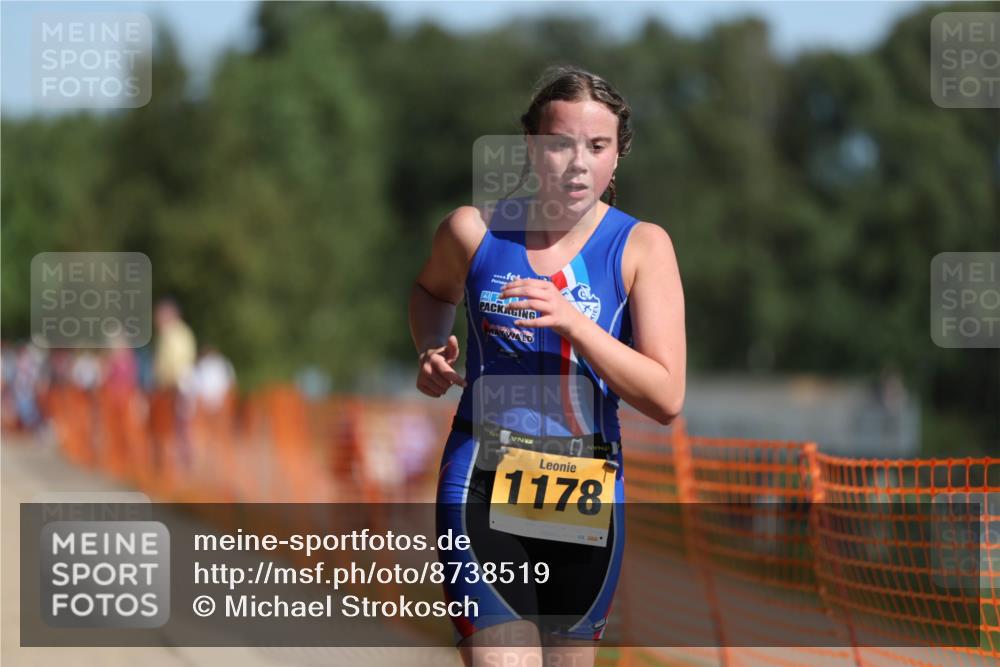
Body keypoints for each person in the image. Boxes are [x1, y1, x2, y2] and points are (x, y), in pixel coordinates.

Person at [408, 65, 686, 667]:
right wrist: (430, 348)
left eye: (597, 146)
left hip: (586, 491)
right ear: (532, 147)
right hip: (481, 477)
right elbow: (431, 292)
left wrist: (574, 323)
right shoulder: (474, 231)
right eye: (560, 144)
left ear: (619, 153)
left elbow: (666, 397)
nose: (578, 164)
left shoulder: (642, 247)